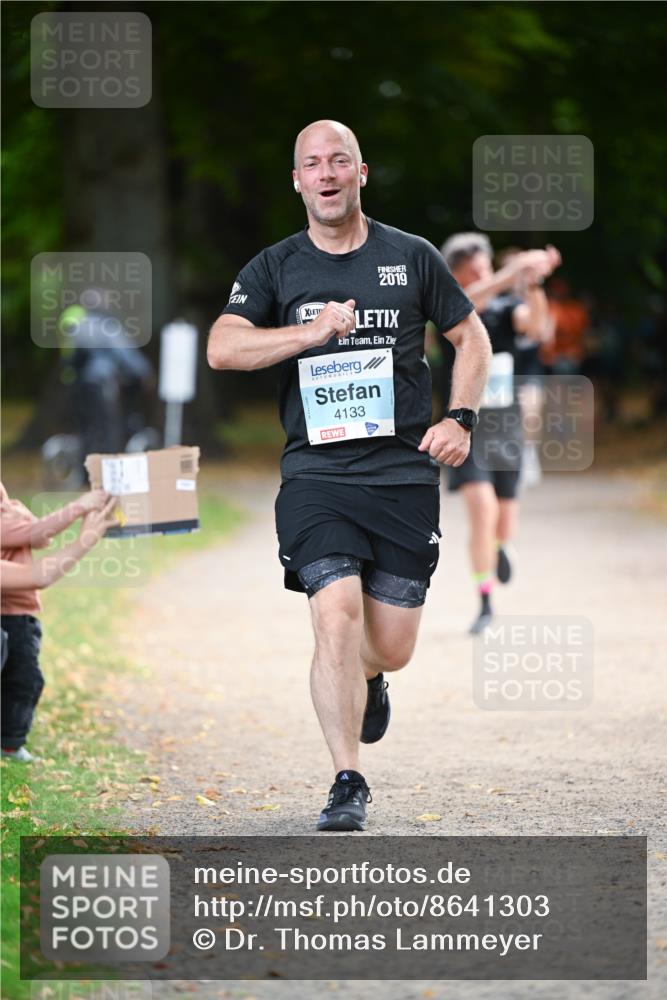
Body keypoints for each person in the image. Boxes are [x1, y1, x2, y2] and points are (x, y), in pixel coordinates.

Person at [208, 120, 492, 832]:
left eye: (339, 160)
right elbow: (222, 347)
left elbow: (470, 336)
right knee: (332, 613)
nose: (326, 172)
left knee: (389, 643)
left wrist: (459, 417)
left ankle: (372, 677)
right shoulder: (276, 267)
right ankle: (346, 779)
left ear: (360, 173)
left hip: (400, 474)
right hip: (315, 473)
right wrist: (309, 332)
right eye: (312, 163)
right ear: (298, 181)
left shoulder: (411, 256)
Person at [438, 233, 560, 634]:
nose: (481, 276)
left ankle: (503, 547)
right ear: (454, 275)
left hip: (506, 429)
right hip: (466, 432)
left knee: (504, 522)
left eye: (485, 268)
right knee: (483, 513)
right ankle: (485, 601)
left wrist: (533, 283)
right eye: (471, 272)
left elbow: (538, 328)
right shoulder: (448, 309)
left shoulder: (508, 308)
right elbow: (469, 299)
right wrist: (510, 273)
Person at [1, 484, 117, 762]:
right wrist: (81, 515)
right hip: (12, 616)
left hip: (19, 616)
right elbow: (37, 563)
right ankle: (9, 742)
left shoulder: (11, 509)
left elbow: (41, 537)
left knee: (24, 679)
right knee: (19, 675)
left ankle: (8, 742)